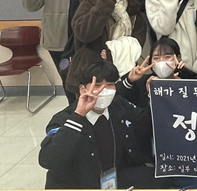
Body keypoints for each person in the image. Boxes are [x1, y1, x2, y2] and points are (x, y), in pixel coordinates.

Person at [39, 60, 157, 189]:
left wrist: (153, 96)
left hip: (115, 176)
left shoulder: (117, 105)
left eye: (110, 85)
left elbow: (145, 122)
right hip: (78, 183)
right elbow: (48, 160)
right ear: (82, 89)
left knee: (165, 179)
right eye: (97, 85)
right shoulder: (64, 119)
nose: (104, 91)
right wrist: (78, 116)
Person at [68, 0, 146, 97]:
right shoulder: (90, 0)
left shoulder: (130, 1)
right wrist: (107, 1)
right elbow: (84, 33)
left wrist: (115, 52)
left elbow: (138, 34)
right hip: (95, 69)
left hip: (127, 67)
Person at [118, 37, 196, 108]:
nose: (161, 61)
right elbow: (118, 99)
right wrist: (130, 81)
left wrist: (183, 78)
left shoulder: (189, 79)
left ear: (178, 58)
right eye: (156, 58)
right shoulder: (143, 82)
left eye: (167, 57)